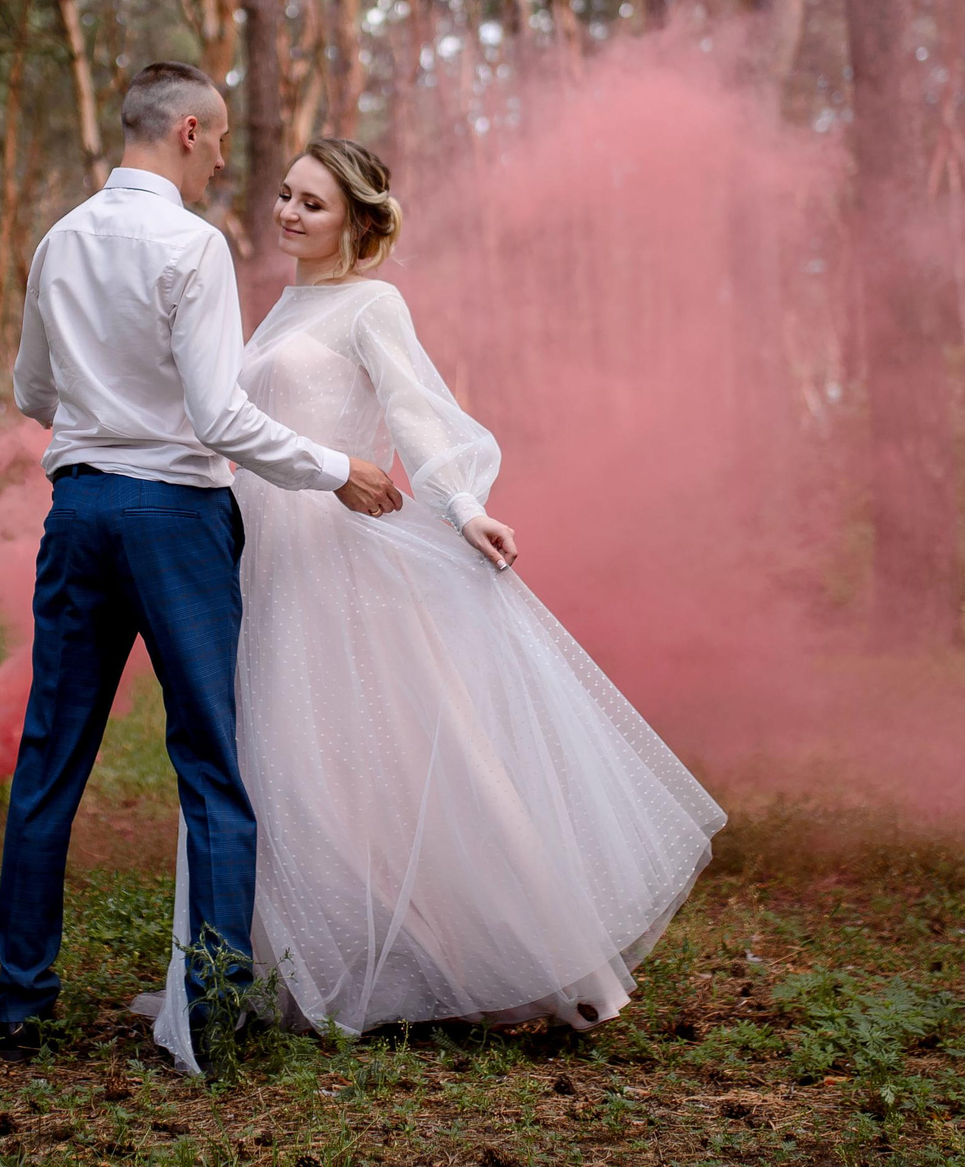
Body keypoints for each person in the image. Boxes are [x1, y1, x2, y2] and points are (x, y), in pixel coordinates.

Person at [140, 136, 726, 1077]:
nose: (287, 212)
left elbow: (417, 412)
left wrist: (463, 505)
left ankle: (556, 963)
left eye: (312, 203)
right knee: (290, 761)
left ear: (358, 221)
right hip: (265, 556)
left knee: (418, 757)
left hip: (338, 556)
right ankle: (299, 965)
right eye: (286, 194)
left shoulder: (373, 303)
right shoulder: (283, 303)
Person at [0, 64, 407, 1062]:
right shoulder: (192, 244)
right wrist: (336, 469)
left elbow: (31, 389)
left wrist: (103, 419)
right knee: (213, 763)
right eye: (218, 140)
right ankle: (215, 1011)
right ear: (186, 129)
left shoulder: (59, 239)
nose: (223, 158)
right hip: (176, 517)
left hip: (79, 511)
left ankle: (19, 1002)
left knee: (48, 762)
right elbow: (220, 417)